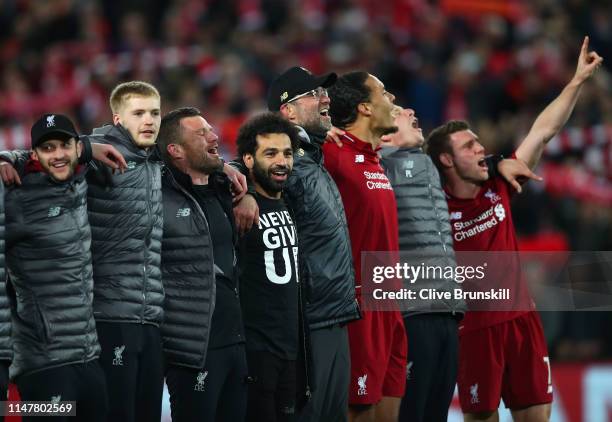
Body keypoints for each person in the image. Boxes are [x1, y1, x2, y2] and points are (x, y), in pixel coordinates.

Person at [426, 37, 602, 422]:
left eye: (478, 143)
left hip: (522, 320)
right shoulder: (431, 205)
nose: (480, 148)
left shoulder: (499, 183)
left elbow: (543, 132)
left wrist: (576, 82)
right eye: (469, 146)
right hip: (474, 331)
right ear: (445, 160)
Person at [235, 66, 361, 422]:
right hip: (309, 319)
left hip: (337, 313)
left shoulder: (312, 156)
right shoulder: (280, 157)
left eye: (325, 93)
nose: (326, 99)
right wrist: (240, 190)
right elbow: (238, 163)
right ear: (287, 110)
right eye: (315, 94)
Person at [3, 114, 107, 421]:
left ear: (79, 149)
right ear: (34, 155)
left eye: (64, 145)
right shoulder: (17, 196)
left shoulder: (82, 183)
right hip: (43, 364)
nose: (58, 155)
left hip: (89, 356)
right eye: (48, 148)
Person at [325, 71, 407, 422]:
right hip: (360, 303)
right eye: (385, 94)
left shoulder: (374, 158)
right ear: (364, 108)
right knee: (358, 411)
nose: (394, 102)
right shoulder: (334, 150)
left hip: (392, 302)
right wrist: (305, 133)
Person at [157, 107, 248, 421]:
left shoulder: (225, 188)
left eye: (211, 129)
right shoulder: (156, 197)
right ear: (175, 150)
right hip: (194, 350)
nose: (214, 136)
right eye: (201, 133)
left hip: (237, 340)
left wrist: (232, 174)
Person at [236, 112, 304, 422]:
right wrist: (243, 193)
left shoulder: (288, 202)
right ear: (249, 160)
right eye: (271, 153)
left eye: (287, 153)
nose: (282, 161)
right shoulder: (238, 208)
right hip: (256, 351)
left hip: (290, 349)